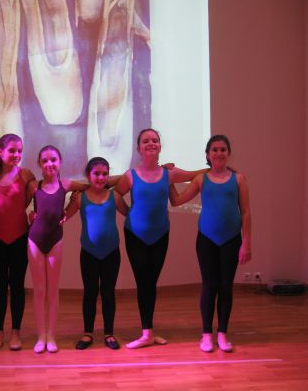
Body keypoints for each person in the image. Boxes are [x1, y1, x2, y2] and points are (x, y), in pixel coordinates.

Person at [115, 128, 205, 349]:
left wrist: (219, 167)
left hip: (161, 235)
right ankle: (146, 332)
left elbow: (194, 174)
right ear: (138, 148)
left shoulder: (169, 174)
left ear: (160, 146)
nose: (151, 143)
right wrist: (129, 213)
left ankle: (149, 332)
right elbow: (116, 194)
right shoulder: (130, 175)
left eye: (154, 140)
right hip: (135, 236)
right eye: (146, 141)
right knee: (143, 282)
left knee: (151, 283)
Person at [169, 135, 251, 353]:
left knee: (226, 286)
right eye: (214, 149)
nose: (219, 153)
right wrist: (168, 181)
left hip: (232, 240)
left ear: (228, 153)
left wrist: (246, 242)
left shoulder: (239, 179)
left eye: (223, 149)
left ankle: (222, 333)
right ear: (208, 154)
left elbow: (245, 212)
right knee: (209, 285)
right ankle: (206, 334)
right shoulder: (201, 180)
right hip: (206, 240)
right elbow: (177, 201)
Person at [27, 145, 88, 353]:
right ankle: (40, 336)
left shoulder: (66, 184)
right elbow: (21, 204)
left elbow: (91, 185)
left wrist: (69, 210)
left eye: (53, 159)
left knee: (53, 290)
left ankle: (51, 335)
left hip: (55, 241)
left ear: (60, 162)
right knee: (39, 291)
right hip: (34, 240)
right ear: (39, 164)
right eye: (45, 161)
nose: (49, 164)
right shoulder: (34, 185)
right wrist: (29, 214)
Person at [64, 157, 128, 350]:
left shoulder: (114, 196)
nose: (101, 177)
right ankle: (88, 333)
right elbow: (64, 216)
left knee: (108, 293)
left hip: (111, 253)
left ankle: (109, 333)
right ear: (88, 175)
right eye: (96, 174)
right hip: (89, 253)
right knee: (90, 293)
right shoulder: (80, 198)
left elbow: (130, 213)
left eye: (104, 174)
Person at [0, 134, 35, 351]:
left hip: (19, 237)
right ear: (0, 150)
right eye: (12, 151)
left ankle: (16, 332)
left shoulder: (26, 175)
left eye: (20, 151)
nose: (17, 155)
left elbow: (35, 197)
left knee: (17, 286)